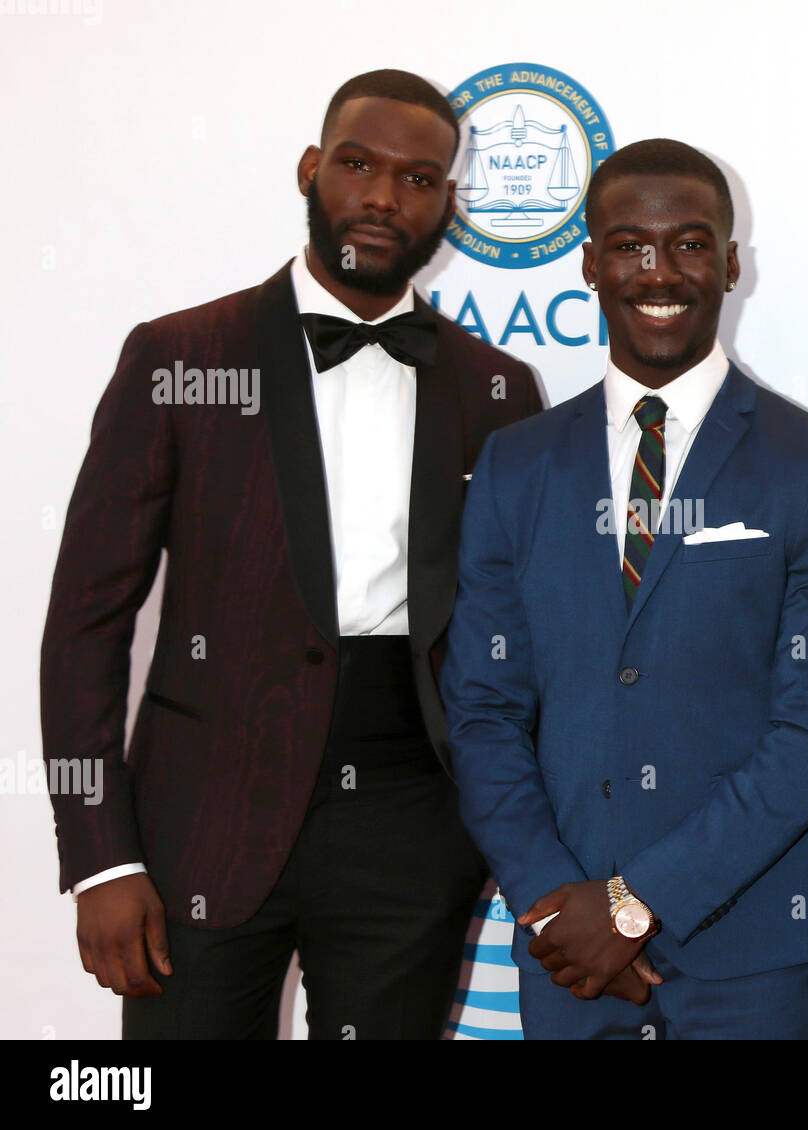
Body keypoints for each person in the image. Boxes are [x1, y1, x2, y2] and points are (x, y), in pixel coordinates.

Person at [40, 69, 542, 1039]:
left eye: (417, 177)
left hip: (411, 824)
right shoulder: (181, 357)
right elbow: (83, 624)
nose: (383, 197)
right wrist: (99, 855)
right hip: (199, 822)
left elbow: (518, 634)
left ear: (449, 202)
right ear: (311, 170)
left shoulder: (495, 387)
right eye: (358, 164)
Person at [440, 138, 808, 1039]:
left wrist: (637, 905)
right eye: (630, 245)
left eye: (689, 242)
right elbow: (482, 711)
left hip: (749, 959)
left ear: (730, 263)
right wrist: (560, 908)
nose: (659, 270)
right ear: (590, 263)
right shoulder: (516, 466)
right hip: (566, 957)